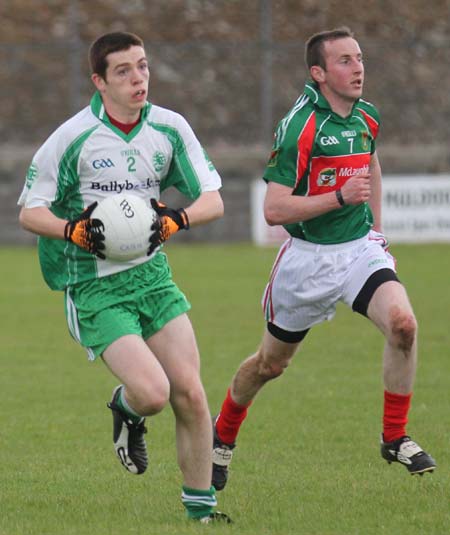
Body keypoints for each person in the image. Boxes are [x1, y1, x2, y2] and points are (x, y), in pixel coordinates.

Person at [18, 31, 231, 524]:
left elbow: (213, 200)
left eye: (143, 66)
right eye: (123, 71)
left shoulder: (169, 128)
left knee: (192, 393)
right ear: (99, 81)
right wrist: (71, 230)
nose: (139, 79)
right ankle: (127, 408)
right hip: (94, 287)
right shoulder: (72, 138)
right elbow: (30, 212)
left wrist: (177, 219)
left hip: (152, 277)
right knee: (154, 394)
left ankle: (200, 512)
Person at [211, 27, 436, 491]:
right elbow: (274, 209)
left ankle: (394, 436)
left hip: (358, 251)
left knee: (404, 325)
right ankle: (222, 434)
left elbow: (371, 164)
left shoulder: (366, 117)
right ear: (319, 73)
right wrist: (337, 197)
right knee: (269, 366)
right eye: (345, 62)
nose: (358, 69)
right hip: (307, 262)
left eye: (360, 58)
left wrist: (375, 227)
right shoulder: (301, 127)